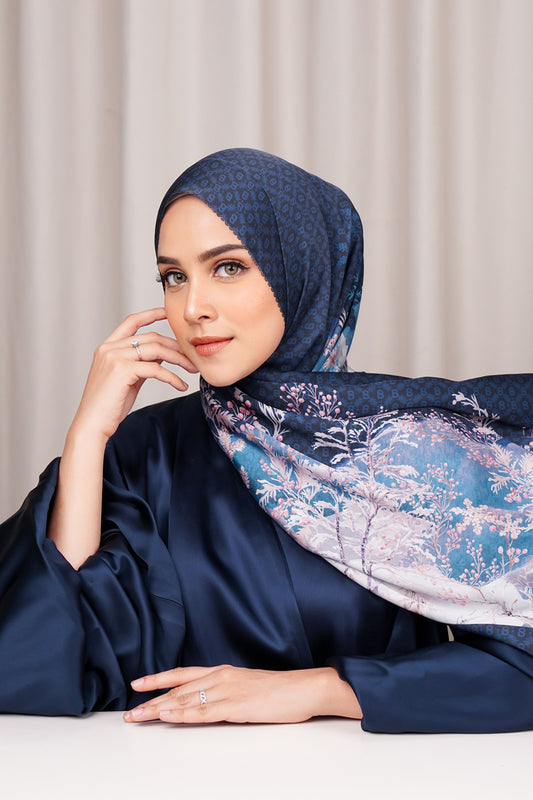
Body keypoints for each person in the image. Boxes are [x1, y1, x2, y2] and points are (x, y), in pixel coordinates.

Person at [0, 148, 532, 733]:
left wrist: (321, 690)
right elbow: (42, 657)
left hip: (380, 775)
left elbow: (520, 667)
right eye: (174, 277)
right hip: (172, 776)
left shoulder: (420, 452)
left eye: (228, 267)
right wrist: (86, 438)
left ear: (300, 270)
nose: (193, 308)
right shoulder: (142, 454)